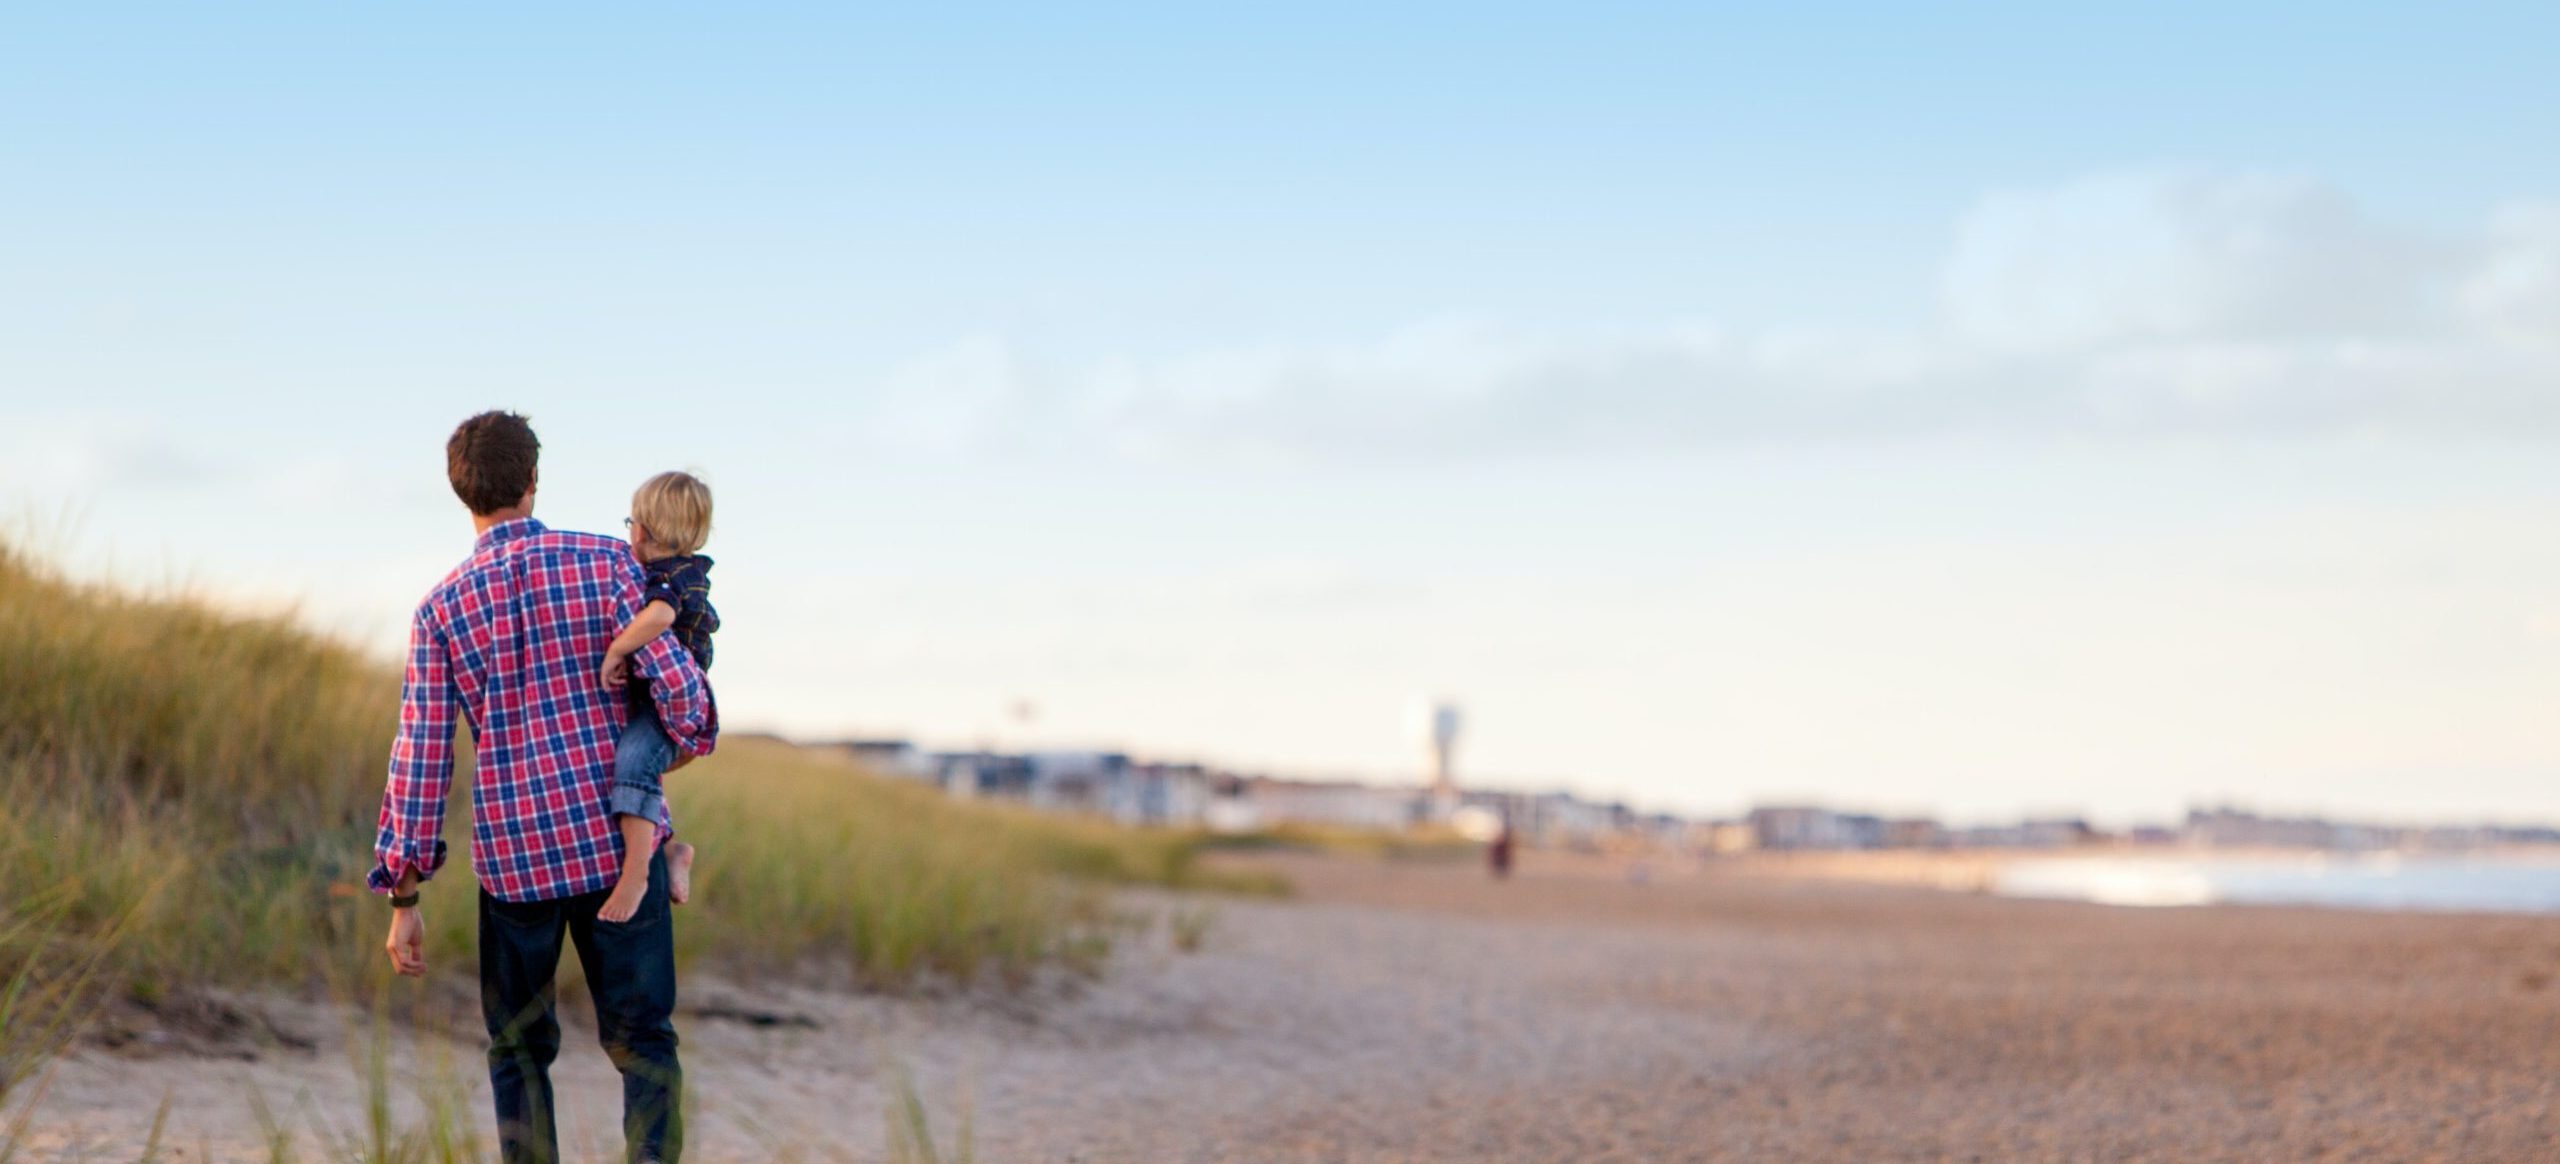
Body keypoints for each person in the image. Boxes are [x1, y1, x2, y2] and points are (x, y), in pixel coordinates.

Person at [370, 411, 717, 1164]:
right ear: (533, 481)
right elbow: (686, 703)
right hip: (613, 842)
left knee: (519, 1052)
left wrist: (405, 897)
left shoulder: (439, 610)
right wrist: (679, 743)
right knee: (644, 1042)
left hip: (515, 859)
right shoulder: (609, 563)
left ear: (462, 493)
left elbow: (422, 754)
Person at [596, 471, 719, 924]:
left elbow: (661, 617)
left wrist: (618, 647)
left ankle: (636, 875)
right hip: (660, 702)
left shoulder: (671, 578)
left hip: (671, 708)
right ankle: (671, 850)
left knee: (632, 761)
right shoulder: (681, 570)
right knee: (638, 769)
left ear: (642, 529)